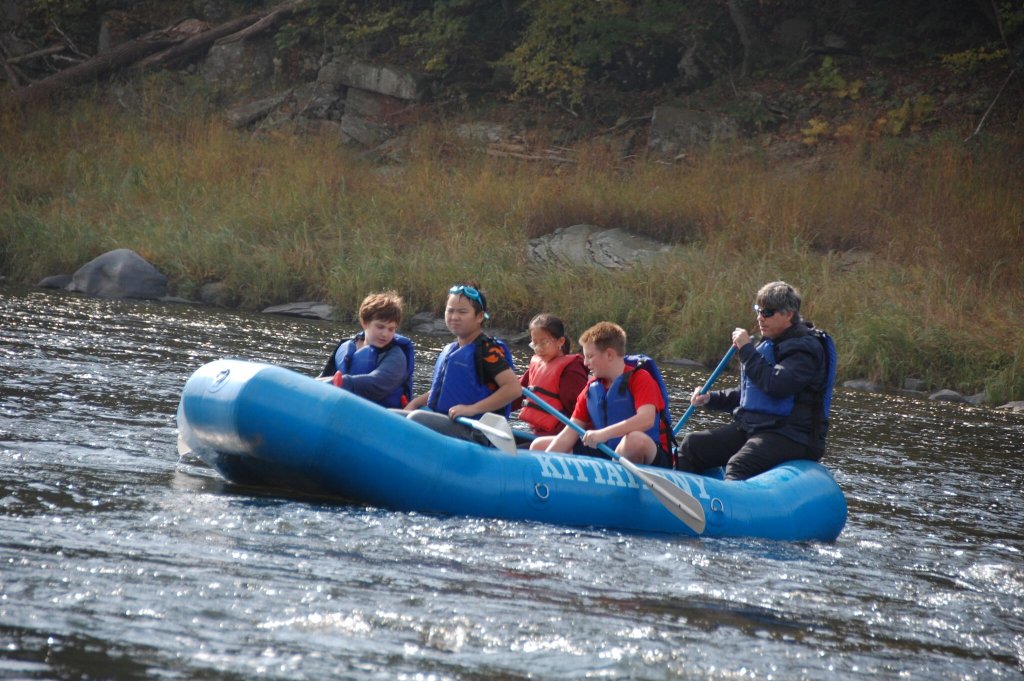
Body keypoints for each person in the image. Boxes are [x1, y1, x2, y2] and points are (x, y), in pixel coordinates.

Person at [674, 281, 836, 481]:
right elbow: (751, 393)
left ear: (788, 314)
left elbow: (776, 385)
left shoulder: (805, 350)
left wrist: (746, 350)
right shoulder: (771, 343)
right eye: (758, 311)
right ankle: (672, 502)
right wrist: (710, 398)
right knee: (693, 444)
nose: (760, 318)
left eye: (768, 313)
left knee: (739, 465)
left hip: (791, 435)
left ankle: (728, 510)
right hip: (756, 428)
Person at [533, 321, 674, 468]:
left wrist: (604, 434)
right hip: (607, 452)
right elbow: (569, 433)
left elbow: (646, 420)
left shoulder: (640, 378)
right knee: (539, 446)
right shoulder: (591, 388)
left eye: (590, 356)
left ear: (609, 355)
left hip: (648, 456)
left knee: (634, 440)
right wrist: (544, 464)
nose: (585, 363)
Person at [403, 282, 520, 445]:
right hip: (451, 422)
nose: (454, 316)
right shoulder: (453, 348)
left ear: (479, 316)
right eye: (450, 311)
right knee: (395, 415)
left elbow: (513, 389)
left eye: (462, 312)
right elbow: (449, 388)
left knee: (417, 418)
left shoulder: (487, 350)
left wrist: (473, 409)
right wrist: (416, 402)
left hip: (476, 430)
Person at [318, 291, 415, 408]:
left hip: (384, 415)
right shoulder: (347, 346)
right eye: (380, 327)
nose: (385, 334)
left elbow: (377, 384)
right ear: (365, 323)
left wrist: (340, 383)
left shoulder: (396, 356)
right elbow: (324, 377)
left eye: (391, 329)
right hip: (344, 406)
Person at [513, 313, 588, 439]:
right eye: (534, 343)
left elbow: (581, 412)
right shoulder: (538, 365)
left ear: (560, 341)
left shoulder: (571, 370)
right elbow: (515, 394)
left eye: (544, 343)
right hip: (540, 435)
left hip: (563, 439)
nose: (538, 349)